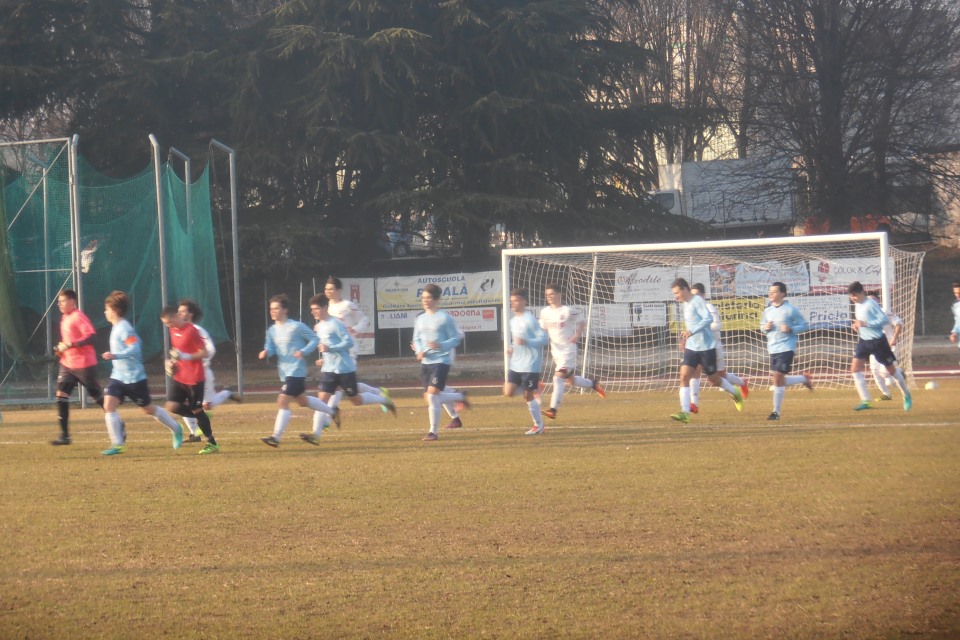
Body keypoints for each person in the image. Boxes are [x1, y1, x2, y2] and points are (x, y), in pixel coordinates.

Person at [300, 294, 396, 445]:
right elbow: (326, 346)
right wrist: (324, 358)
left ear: (325, 307)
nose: (314, 312)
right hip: (329, 370)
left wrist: (330, 348)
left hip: (345, 369)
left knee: (356, 401)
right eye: (312, 309)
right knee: (321, 401)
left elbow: (348, 343)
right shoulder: (319, 326)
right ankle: (315, 435)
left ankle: (384, 400)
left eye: (316, 309)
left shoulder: (336, 324)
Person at [99, 291, 184, 456]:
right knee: (108, 405)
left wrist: (116, 355)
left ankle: (176, 428)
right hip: (118, 377)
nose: (105, 312)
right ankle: (118, 444)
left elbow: (135, 347)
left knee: (148, 409)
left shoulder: (124, 328)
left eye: (107, 309)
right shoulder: (117, 327)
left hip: (135, 378)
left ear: (115, 311)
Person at [259, 294, 340, 447]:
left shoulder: (296, 326)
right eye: (271, 309)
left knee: (282, 401)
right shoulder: (271, 330)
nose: (272, 311)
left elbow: (315, 339)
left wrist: (303, 351)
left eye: (276, 308)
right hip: (284, 371)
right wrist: (266, 352)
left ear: (285, 310)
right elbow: (269, 346)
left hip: (296, 371)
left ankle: (276, 438)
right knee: (303, 401)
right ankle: (332, 412)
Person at [315, 277, 392, 430]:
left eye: (331, 289)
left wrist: (354, 329)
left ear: (338, 290)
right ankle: (379, 393)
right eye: (326, 289)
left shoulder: (347, 305)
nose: (328, 292)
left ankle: (326, 419)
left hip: (348, 349)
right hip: (331, 352)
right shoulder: (324, 307)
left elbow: (365, 320)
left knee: (338, 385)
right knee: (343, 385)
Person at [670, 278, 744, 423]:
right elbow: (690, 325)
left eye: (677, 293)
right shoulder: (685, 304)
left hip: (706, 347)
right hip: (692, 347)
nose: (675, 296)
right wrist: (686, 339)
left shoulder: (697, 301)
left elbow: (708, 319)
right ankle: (685, 413)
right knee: (684, 377)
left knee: (714, 379)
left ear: (685, 289)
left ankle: (735, 393)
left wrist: (691, 331)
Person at [176, 300, 241, 443]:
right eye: (178, 311)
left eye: (183, 311)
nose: (179, 313)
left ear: (191, 314)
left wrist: (201, 361)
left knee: (206, 406)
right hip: (186, 374)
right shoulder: (179, 332)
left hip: (201, 373)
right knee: (184, 403)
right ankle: (195, 434)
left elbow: (210, 349)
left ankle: (227, 393)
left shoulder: (198, 331)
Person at [538, 283, 605, 421]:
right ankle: (593, 384)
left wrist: (577, 335)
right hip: (556, 352)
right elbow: (543, 330)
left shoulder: (567, 311)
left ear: (558, 295)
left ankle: (553, 410)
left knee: (557, 378)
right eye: (547, 295)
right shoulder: (545, 312)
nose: (549, 297)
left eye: (552, 294)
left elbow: (581, 320)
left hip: (568, 350)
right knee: (571, 380)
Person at [412, 283, 469, 441]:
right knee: (430, 397)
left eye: (428, 298)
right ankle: (458, 396)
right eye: (423, 298)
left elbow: (456, 338)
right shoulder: (420, 319)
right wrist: (418, 351)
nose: (425, 301)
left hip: (441, 361)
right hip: (426, 362)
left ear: (437, 299)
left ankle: (433, 432)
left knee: (432, 396)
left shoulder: (445, 318)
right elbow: (416, 338)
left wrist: (441, 345)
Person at [160, 306, 220, 454]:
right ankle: (201, 417)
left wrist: (187, 357)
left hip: (195, 378)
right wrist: (171, 363)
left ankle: (212, 443)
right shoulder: (172, 330)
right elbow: (177, 352)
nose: (168, 326)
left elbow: (204, 352)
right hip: (180, 377)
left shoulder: (192, 331)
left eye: (169, 322)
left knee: (197, 410)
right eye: (166, 324)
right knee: (172, 406)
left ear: (175, 317)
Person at [51, 289, 104, 446]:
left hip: (84, 364)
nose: (59, 304)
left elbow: (91, 336)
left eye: (63, 301)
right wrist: (61, 350)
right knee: (61, 396)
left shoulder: (78, 316)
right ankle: (65, 436)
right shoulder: (64, 317)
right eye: (58, 301)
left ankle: (117, 423)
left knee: (99, 399)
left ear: (72, 302)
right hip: (67, 364)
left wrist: (70, 344)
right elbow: (68, 340)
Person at [848, 281, 912, 412]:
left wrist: (865, 323)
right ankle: (866, 400)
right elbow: (861, 322)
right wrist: (856, 326)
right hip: (864, 341)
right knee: (855, 369)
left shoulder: (871, 304)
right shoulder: (857, 304)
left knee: (891, 372)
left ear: (861, 292)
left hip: (878, 342)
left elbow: (883, 320)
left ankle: (906, 395)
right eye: (851, 296)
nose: (853, 298)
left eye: (854, 295)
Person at [687, 283, 749, 414]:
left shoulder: (709, 307)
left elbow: (717, 325)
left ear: (703, 295)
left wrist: (703, 327)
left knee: (719, 377)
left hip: (714, 347)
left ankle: (742, 383)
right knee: (695, 372)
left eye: (697, 295)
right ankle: (694, 404)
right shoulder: (692, 310)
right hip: (699, 347)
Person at [760, 281, 812, 421]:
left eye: (774, 291)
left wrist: (791, 329)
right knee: (778, 379)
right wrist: (766, 327)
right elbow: (761, 327)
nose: (771, 294)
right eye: (770, 291)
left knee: (777, 377)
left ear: (782, 293)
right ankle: (803, 378)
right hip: (773, 348)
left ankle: (775, 413)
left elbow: (804, 325)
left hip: (787, 347)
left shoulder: (790, 310)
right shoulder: (767, 310)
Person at [504, 288, 549, 435]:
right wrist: (512, 347)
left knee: (527, 395)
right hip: (516, 363)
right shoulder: (513, 321)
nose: (513, 304)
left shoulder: (530, 320)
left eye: (516, 301)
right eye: (511, 301)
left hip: (530, 364)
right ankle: (534, 388)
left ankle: (539, 425)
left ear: (524, 302)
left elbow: (543, 339)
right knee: (508, 391)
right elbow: (517, 340)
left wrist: (527, 341)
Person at [866, 292, 903, 401]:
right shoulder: (865, 315)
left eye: (873, 300)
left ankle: (900, 372)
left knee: (885, 373)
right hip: (875, 347)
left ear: (878, 301)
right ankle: (886, 394)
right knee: (874, 370)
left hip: (888, 346)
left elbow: (898, 323)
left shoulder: (884, 312)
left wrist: (894, 338)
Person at [950, 280, 960, 360]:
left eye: (959, 292)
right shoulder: (955, 305)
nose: (957, 295)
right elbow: (957, 321)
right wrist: (954, 332)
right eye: (955, 293)